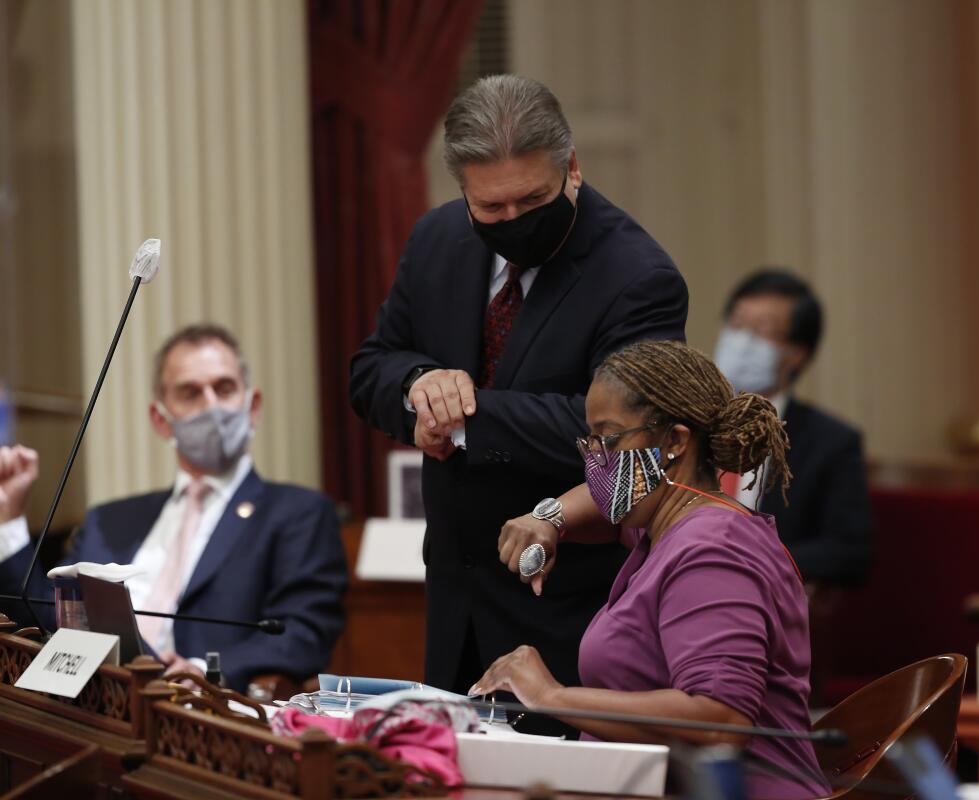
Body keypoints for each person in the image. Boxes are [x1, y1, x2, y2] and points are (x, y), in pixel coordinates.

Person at [349, 75, 688, 700]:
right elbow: (373, 367)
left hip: (572, 605)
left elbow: (623, 442)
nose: (512, 221)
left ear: (573, 169)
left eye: (532, 202)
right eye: (491, 209)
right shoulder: (438, 238)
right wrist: (419, 387)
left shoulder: (639, 278)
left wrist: (461, 417)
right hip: (454, 592)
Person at [479, 340, 829, 800]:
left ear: (675, 442)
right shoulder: (667, 527)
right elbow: (604, 515)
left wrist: (550, 696)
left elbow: (720, 720)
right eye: (590, 440)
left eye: (608, 438)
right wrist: (550, 520)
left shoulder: (712, 551)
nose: (594, 460)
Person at [0, 324, 347, 692]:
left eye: (224, 388)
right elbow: (54, 622)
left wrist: (202, 671)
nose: (211, 405)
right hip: (92, 709)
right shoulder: (110, 519)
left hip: (198, 718)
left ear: (253, 407)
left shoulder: (299, 513)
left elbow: (303, 634)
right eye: (190, 392)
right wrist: (8, 519)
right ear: (161, 420)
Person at [713, 269, 873, 587]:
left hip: (766, 599)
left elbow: (850, 552)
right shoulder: (686, 425)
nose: (741, 341)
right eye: (737, 325)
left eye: (762, 331)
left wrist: (755, 560)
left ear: (796, 354)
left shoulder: (831, 442)